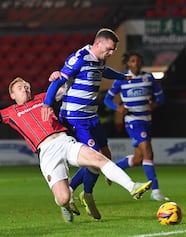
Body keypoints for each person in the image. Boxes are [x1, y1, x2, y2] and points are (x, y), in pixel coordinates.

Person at [0, 77, 152, 223]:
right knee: (62, 198)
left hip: (64, 141)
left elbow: (68, 86)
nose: (25, 88)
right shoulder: (10, 113)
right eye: (20, 87)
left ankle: (132, 186)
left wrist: (62, 76)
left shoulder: (44, 98)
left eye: (26, 85)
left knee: (97, 158)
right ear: (12, 94)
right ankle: (65, 203)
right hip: (46, 153)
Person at [41, 28, 131, 220]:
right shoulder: (80, 57)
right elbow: (58, 81)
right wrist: (47, 104)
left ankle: (74, 189)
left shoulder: (98, 59)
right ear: (98, 44)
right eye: (109, 49)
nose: (111, 53)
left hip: (91, 116)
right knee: (96, 159)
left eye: (113, 50)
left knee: (106, 155)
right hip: (75, 117)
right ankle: (85, 195)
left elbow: (103, 71)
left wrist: (123, 77)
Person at [104, 51, 169, 201]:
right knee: (148, 152)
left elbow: (160, 97)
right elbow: (107, 99)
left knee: (139, 158)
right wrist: (118, 108)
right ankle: (156, 191)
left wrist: (155, 103)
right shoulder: (121, 80)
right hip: (133, 121)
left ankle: (113, 170)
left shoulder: (148, 78)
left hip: (146, 120)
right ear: (128, 63)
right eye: (133, 61)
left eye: (139, 61)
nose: (136, 64)